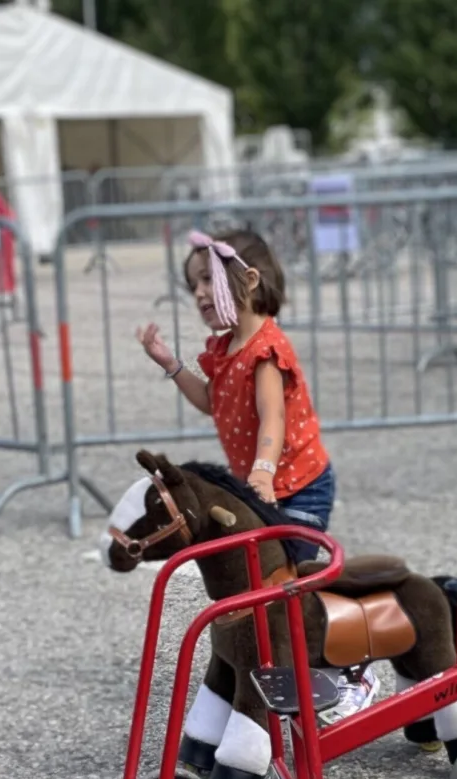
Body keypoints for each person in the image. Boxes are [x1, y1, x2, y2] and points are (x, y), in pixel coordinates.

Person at [135, 228, 379, 722]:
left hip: (298, 487)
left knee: (288, 588)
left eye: (207, 279)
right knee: (260, 591)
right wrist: (171, 364)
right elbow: (210, 401)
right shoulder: (227, 349)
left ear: (246, 279)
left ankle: (353, 675)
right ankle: (261, 676)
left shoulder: (266, 348)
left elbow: (274, 419)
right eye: (193, 285)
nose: (199, 293)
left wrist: (263, 472)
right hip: (263, 491)